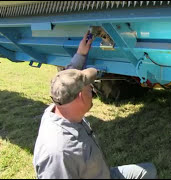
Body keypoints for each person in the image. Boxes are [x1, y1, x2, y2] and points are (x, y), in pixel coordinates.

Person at [33, 31, 157, 179]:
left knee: (148, 171)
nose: (92, 89)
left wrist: (81, 54)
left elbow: (65, 79)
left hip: (103, 174)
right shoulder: (58, 153)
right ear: (79, 96)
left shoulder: (59, 106)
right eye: (89, 87)